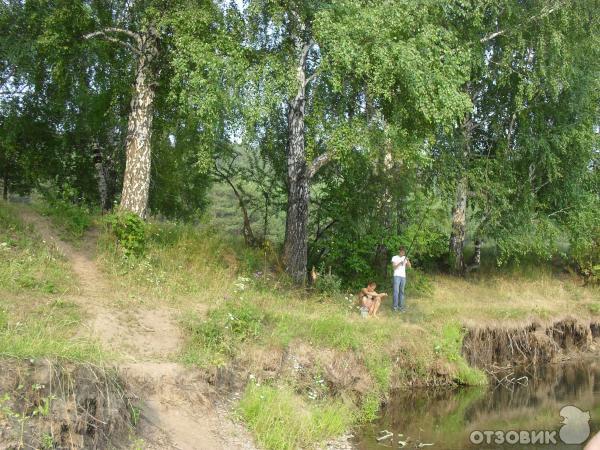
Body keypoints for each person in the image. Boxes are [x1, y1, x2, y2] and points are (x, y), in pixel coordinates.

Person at [391, 247, 411, 312]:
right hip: (396, 276)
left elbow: (410, 267)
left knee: (402, 292)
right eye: (402, 251)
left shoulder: (405, 258)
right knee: (396, 292)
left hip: (403, 277)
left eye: (404, 252)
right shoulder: (395, 257)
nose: (403, 252)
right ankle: (395, 307)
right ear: (399, 251)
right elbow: (394, 267)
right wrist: (400, 263)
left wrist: (407, 260)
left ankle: (401, 307)